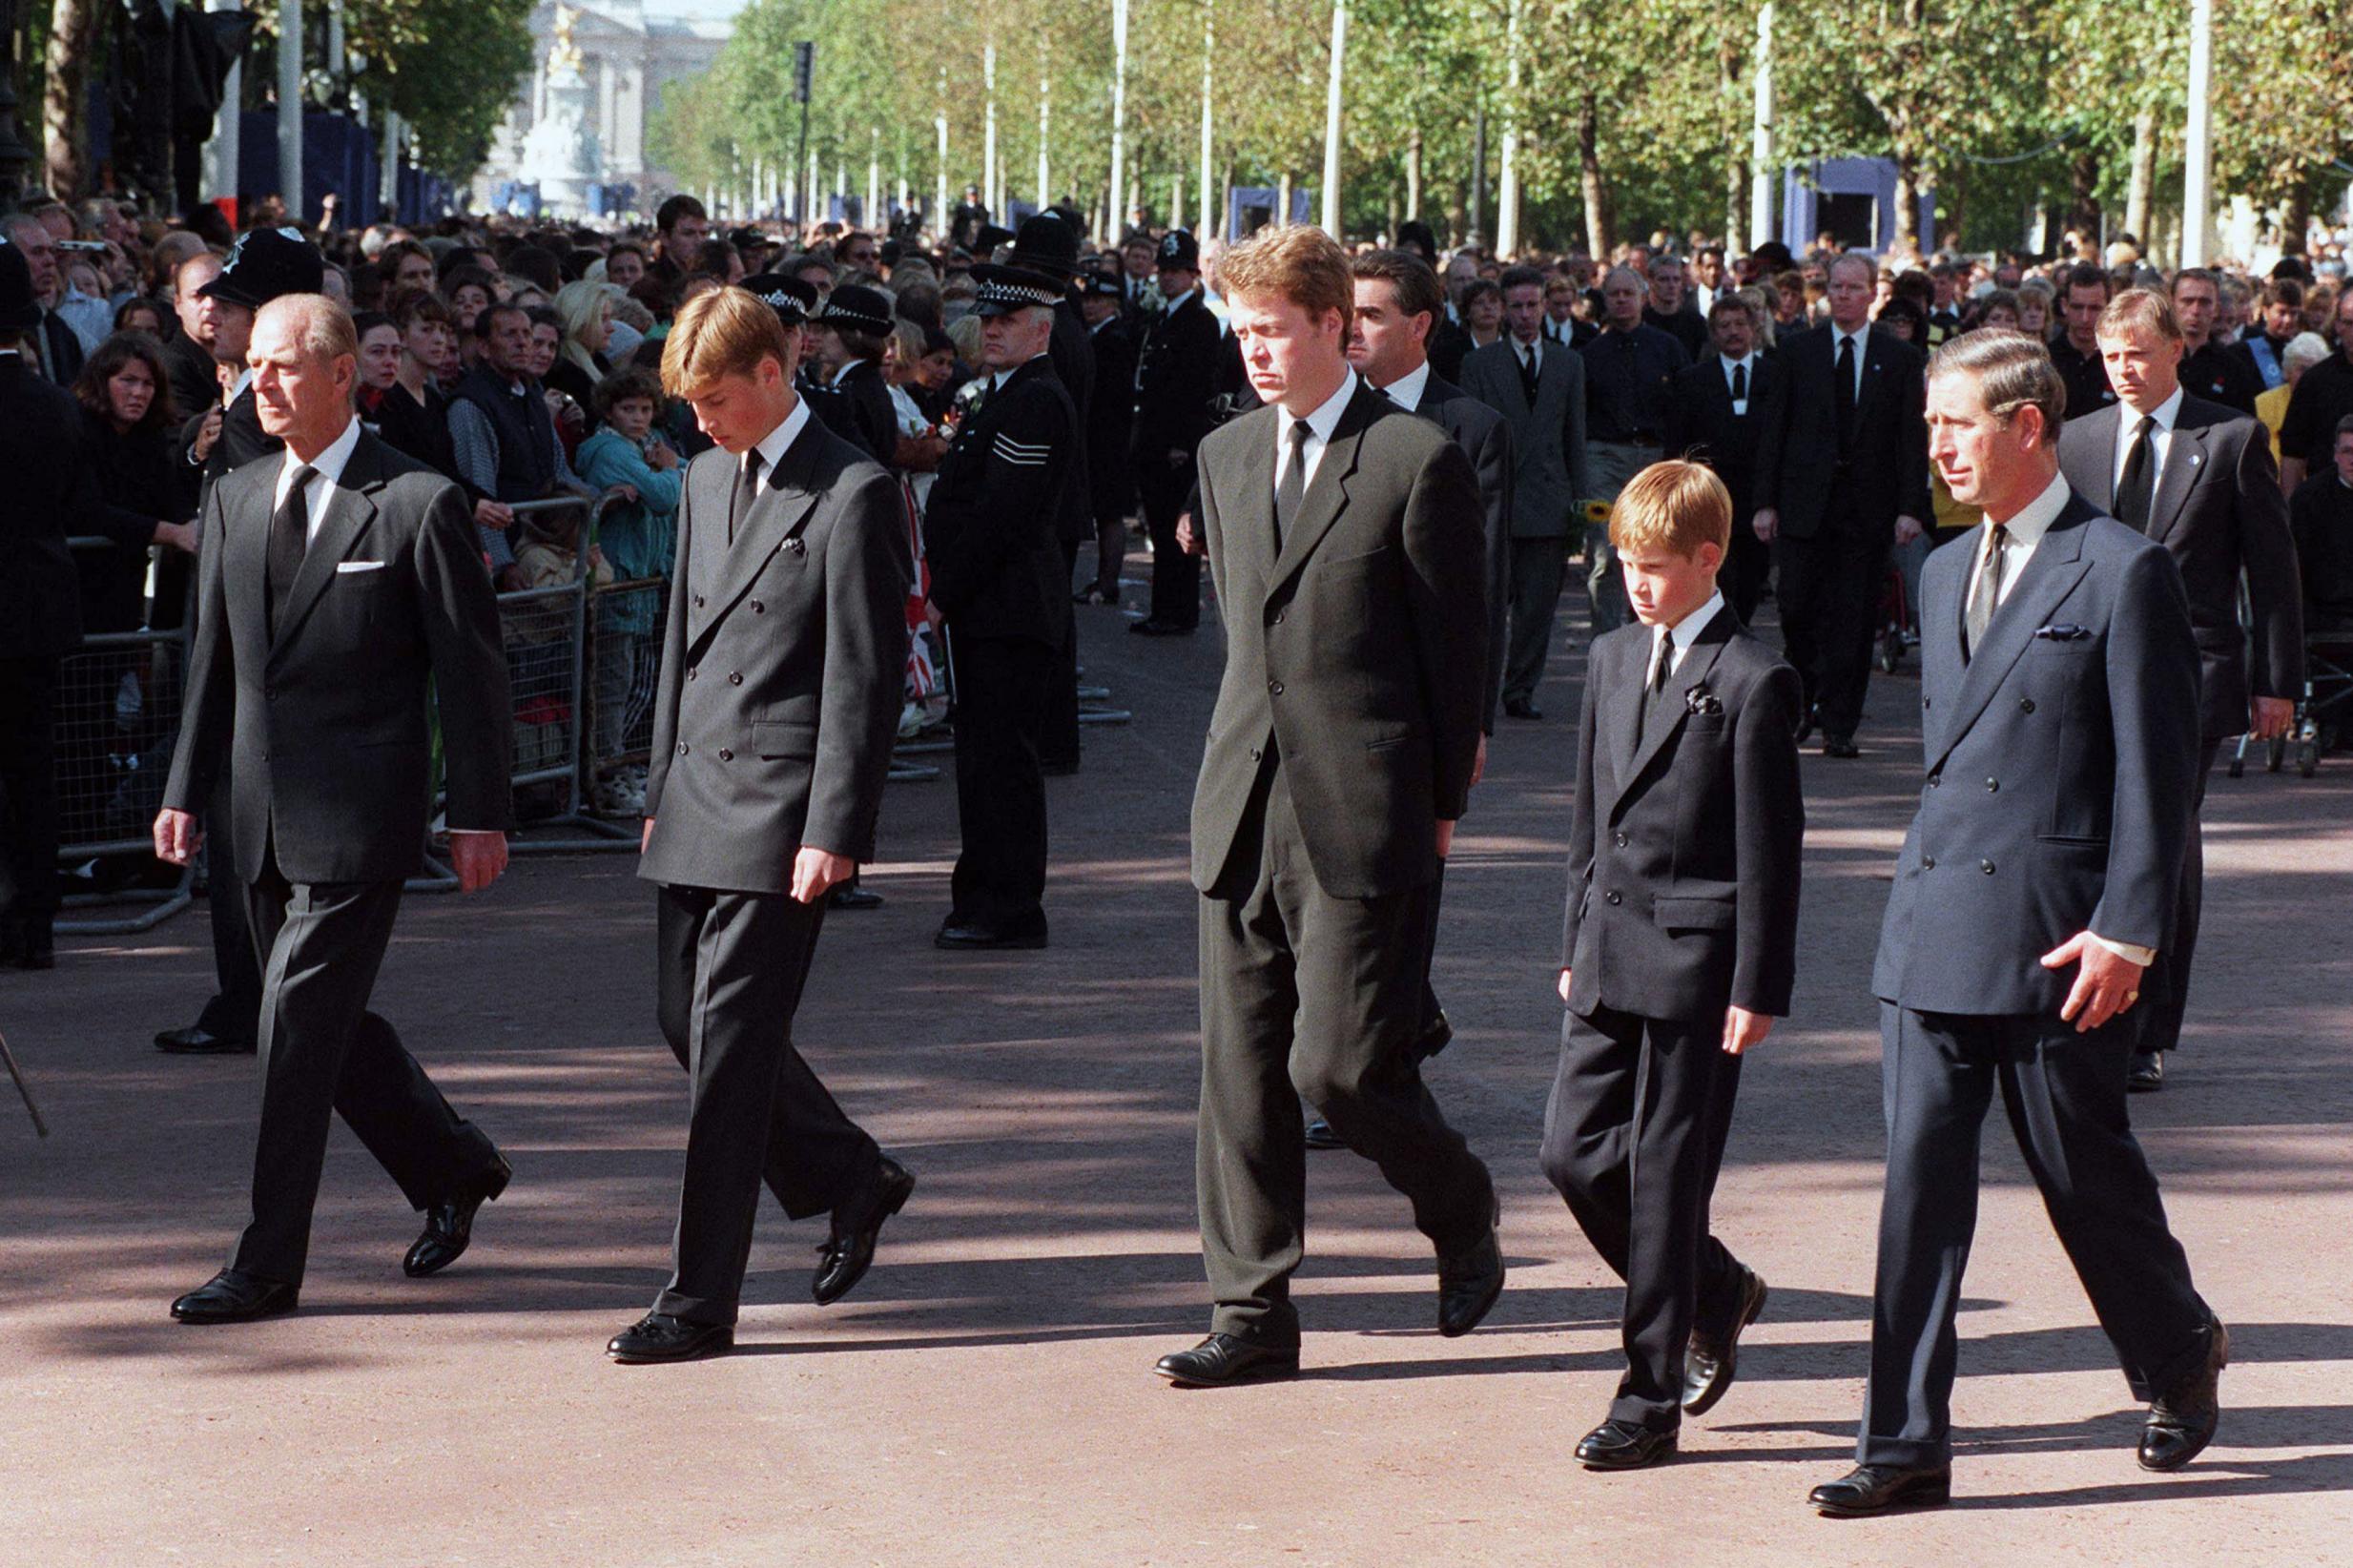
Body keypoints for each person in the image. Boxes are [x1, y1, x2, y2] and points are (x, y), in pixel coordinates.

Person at [1810, 330, 2225, 1517]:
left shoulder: (2118, 567)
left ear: (2027, 427)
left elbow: (2159, 778)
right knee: (1916, 1196)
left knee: (2081, 1176)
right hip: (1933, 930)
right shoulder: (1942, 570)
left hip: (2060, 943)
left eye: (1956, 424)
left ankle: (2176, 1349)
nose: (1934, 444)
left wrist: (2129, 932)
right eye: (1932, 424)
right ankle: (1900, 1447)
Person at [1155, 225, 1497, 1389]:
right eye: (1239, 331)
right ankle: (1250, 1309)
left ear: (1331, 329)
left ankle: (1458, 1206)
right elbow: (1247, 639)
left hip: (1366, 803)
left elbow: (1459, 653)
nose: (1254, 352)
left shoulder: (1412, 459)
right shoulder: (1227, 454)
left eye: (1272, 331)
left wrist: (1443, 799)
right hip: (1241, 799)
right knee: (1237, 1071)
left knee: (1341, 1070)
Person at [155, 293, 516, 1325]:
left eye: (281, 367)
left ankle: (267, 1263)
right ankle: (452, 1166)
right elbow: (210, 667)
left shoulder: (414, 501)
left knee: (294, 1027)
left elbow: (470, 674)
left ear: (343, 372)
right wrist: (184, 790)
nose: (258, 384)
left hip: (364, 814)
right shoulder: (235, 495)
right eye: (252, 367)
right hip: (257, 810)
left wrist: (480, 811)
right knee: (329, 1026)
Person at [611, 284, 916, 1363]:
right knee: (677, 1022)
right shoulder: (700, 478)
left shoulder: (854, 490)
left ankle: (699, 1301)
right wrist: (656, 792)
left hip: (783, 809)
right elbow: (679, 656)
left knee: (732, 1057)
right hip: (696, 795)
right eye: (689, 402)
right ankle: (850, 1176)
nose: (702, 419)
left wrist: (837, 827)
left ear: (774, 374)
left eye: (715, 398)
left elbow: (863, 680)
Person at [1545, 460, 1802, 1471]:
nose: (1636, 585)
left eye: (1654, 568)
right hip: (1607, 947)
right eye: (1622, 567)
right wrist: (1572, 939)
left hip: (1700, 962)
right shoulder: (1612, 658)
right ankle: (1715, 1286)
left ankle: (1647, 1398)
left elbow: (1769, 850)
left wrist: (1758, 986)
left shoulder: (1750, 678)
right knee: (1570, 1153)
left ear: (1709, 558)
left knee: (1664, 1180)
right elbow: (1585, 818)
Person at [2056, 289, 2301, 1093]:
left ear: (2174, 352)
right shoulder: (2076, 441)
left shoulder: (2227, 439)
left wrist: (2276, 683)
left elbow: (2271, 573)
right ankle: (2082, 1007)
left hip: (2191, 674)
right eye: (2110, 354)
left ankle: (2148, 1030)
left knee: (2161, 838)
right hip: (2086, 671)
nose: (2123, 369)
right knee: (2088, 834)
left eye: (2138, 353)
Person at [1305, 248, 1515, 1151]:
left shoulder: (1465, 428)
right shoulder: (1316, 414)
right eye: (1344, 314)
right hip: (1320, 709)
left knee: (1404, 890)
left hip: (1416, 708)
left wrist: (1469, 721)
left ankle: (1381, 1063)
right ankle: (1385, 1034)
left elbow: (1479, 594)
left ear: (1420, 326)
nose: (1352, 331)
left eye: (1374, 316)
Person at [156, 228, 328, 1058]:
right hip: (246, 660)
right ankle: (260, 998)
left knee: (242, 856)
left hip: (248, 666)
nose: (212, 310)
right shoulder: (245, 409)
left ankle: (253, 1001)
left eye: (233, 298)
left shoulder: (262, 420)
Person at [922, 263, 1077, 950]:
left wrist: (943, 595)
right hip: (992, 607)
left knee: (1002, 764)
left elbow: (1002, 514)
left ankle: (1007, 905)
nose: (990, 330)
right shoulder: (1005, 392)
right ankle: (982, 895)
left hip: (1007, 607)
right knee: (983, 759)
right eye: (986, 320)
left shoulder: (1036, 398)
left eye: (1006, 321)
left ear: (1040, 329)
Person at [1751, 252, 1930, 757]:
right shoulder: (1797, 352)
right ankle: (1804, 697)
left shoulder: (1899, 359)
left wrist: (1910, 507)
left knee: (1853, 620)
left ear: (1873, 293)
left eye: (1854, 288)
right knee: (1797, 608)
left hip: (1867, 509)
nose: (1844, 295)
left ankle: (1840, 722)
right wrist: (1764, 502)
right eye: (1836, 287)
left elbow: (1909, 440)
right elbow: (1775, 432)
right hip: (1805, 504)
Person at [0, 240, 109, 972]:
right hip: (37, 609)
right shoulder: (54, 407)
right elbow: (77, 501)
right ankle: (34, 919)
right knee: (33, 768)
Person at [1459, 265, 1589, 717]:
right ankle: (1479, 689)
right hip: (1496, 496)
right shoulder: (1479, 364)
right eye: (1517, 306)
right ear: (1503, 310)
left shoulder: (1568, 362)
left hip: (1550, 499)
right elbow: (1469, 436)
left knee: (1537, 608)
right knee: (1488, 603)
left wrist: (1579, 501)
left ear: (1545, 305)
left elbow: (1575, 435)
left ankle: (1520, 689)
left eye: (1533, 305)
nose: (1526, 315)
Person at [575, 366, 683, 816]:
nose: (638, 418)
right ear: (609, 411)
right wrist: (672, 471)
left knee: (637, 678)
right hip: (617, 580)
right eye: (628, 409)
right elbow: (663, 494)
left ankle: (623, 764)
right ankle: (607, 773)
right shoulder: (609, 452)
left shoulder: (646, 446)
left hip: (643, 577)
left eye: (644, 409)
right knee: (614, 681)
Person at [1578, 265, 1695, 635]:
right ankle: (1607, 641)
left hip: (1655, 461)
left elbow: (1685, 409)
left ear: (1644, 298)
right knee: (1605, 554)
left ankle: (1651, 636)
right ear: (1605, 299)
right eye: (1615, 294)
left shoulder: (1669, 349)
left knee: (1656, 551)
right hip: (1604, 458)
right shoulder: (1589, 354)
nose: (1623, 300)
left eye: (1629, 293)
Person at [447, 300, 594, 586]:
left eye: (527, 334)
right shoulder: (471, 404)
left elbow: (559, 471)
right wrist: (502, 562)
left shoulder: (532, 398)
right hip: (511, 551)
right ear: (484, 347)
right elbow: (481, 491)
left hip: (548, 541)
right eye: (510, 334)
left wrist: (600, 498)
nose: (522, 343)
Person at [1128, 230, 1222, 635]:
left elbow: (1196, 388)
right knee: (1159, 527)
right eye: (1164, 271)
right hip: (1153, 438)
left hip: (1175, 444)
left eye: (1177, 271)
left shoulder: (1199, 322)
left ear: (1192, 275)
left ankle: (1178, 611)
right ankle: (1163, 607)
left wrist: (1186, 442)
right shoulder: (1162, 317)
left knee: (1175, 530)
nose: (1167, 279)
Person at [1664, 295, 1776, 623]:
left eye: (1740, 324)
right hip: (1712, 495)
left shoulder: (1777, 375)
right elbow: (1677, 445)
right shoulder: (1692, 380)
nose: (1733, 332)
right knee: (1719, 576)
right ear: (1713, 333)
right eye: (1724, 326)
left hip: (1760, 495)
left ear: (1754, 328)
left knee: (1753, 579)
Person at [1078, 268, 1137, 604]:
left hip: (1109, 436)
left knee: (1109, 512)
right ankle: (1103, 578)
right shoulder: (1100, 335)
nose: (1090, 305)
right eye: (1087, 298)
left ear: (1113, 303)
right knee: (1105, 510)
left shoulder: (1114, 339)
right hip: (1102, 434)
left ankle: (1107, 580)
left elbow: (1113, 395)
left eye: (1098, 300)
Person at [808, 283, 902, 464]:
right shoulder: (871, 383)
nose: (821, 338)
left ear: (854, 335)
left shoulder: (854, 390)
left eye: (828, 330)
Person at [2278, 289, 2353, 496]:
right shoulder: (2315, 381)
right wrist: (2289, 513)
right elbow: (2293, 453)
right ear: (2338, 325)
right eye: (2350, 323)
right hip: (2326, 508)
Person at [2048, 261, 2117, 420]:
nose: (2085, 318)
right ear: (2064, 305)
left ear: (2108, 308)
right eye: (2077, 307)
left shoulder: (2120, 360)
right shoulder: (2046, 360)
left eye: (2094, 308)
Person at [1642, 254, 1708, 361]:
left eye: (1676, 279)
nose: (1671, 285)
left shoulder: (1696, 322)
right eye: (1663, 279)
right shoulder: (1642, 321)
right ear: (1651, 282)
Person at [648, 195, 711, 288]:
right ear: (664, 237)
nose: (699, 241)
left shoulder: (711, 280)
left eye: (704, 233)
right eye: (688, 233)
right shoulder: (649, 289)